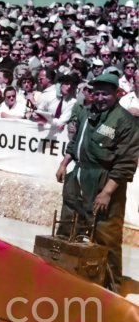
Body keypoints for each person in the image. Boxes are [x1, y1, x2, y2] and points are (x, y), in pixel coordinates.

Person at [55, 73, 139, 288]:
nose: (100, 98)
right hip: (79, 175)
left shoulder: (124, 121)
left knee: (106, 235)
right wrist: (64, 164)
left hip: (105, 180)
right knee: (68, 226)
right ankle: (64, 276)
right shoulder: (86, 112)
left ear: (117, 94)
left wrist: (108, 192)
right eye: (97, 93)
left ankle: (111, 287)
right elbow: (75, 142)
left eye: (106, 94)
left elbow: (126, 163)